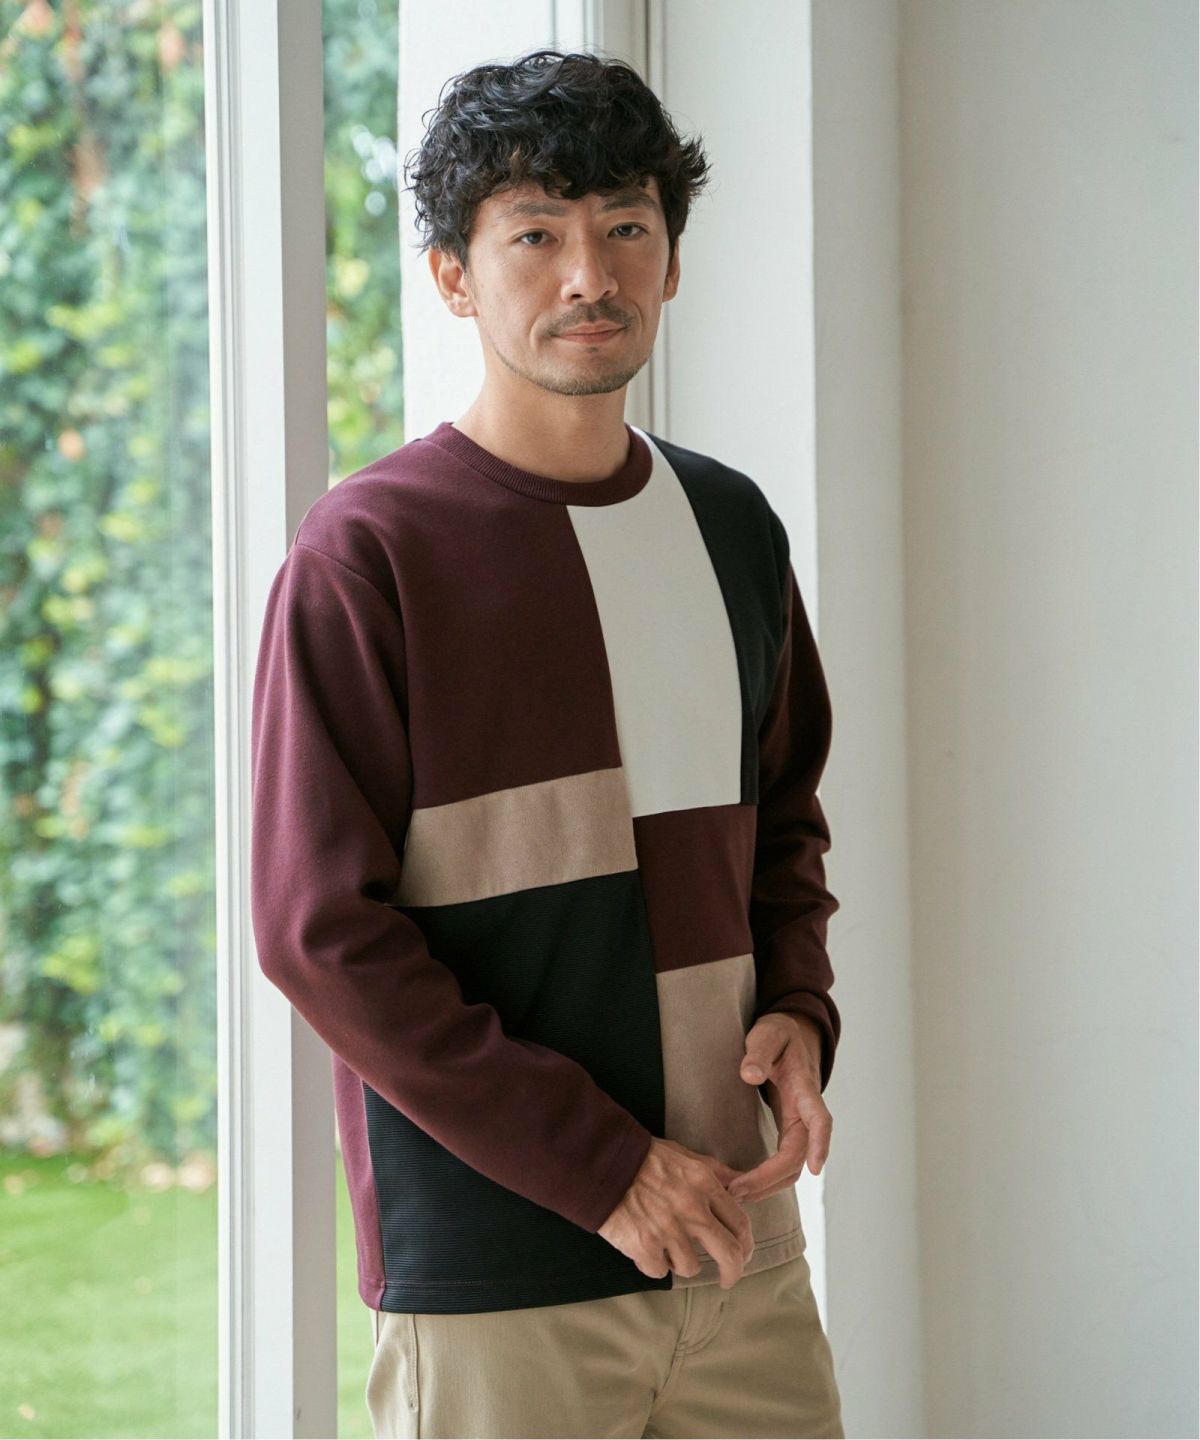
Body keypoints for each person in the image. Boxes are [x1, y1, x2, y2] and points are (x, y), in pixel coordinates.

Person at [250, 45, 844, 1440]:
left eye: (627, 227)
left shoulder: (731, 527)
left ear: (671, 262)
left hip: (738, 1246)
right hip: (502, 1275)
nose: (591, 275)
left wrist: (801, 1009)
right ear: (453, 277)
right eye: (535, 236)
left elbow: (782, 822)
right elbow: (318, 932)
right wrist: (604, 1168)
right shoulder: (369, 554)